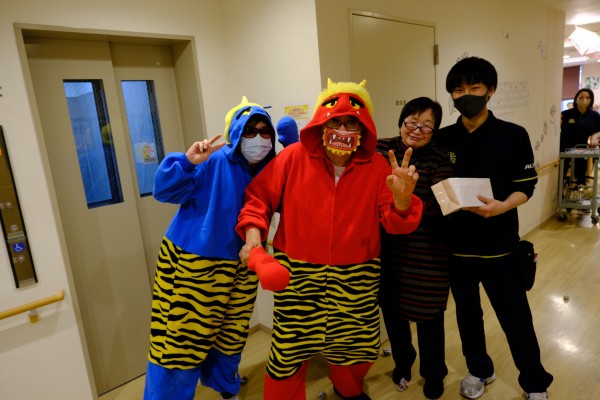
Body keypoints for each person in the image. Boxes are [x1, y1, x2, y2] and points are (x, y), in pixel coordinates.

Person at [235, 79, 423, 400]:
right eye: (336, 121)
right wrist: (253, 239)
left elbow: (395, 223)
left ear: (363, 127)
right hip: (297, 275)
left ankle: (348, 388)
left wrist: (403, 199)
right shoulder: (292, 157)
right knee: (288, 353)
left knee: (357, 348)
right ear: (322, 123)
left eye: (351, 122)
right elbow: (258, 200)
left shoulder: (377, 167)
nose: (343, 129)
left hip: (357, 277)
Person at [143, 97, 277, 400]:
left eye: (264, 131)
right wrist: (187, 162)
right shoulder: (216, 160)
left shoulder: (270, 169)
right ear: (237, 133)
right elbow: (164, 191)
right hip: (195, 263)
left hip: (244, 263)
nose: (258, 138)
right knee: (180, 342)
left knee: (231, 334)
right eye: (250, 131)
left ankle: (225, 385)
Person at [436, 57, 553, 400]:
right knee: (467, 317)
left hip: (500, 247)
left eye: (474, 88)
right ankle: (479, 369)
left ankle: (534, 382)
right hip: (457, 249)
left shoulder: (512, 135)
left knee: (516, 319)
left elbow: (525, 186)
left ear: (490, 91)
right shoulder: (443, 139)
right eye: (459, 90)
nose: (466, 95)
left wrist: (502, 206)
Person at [376, 97, 453, 399]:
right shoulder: (382, 149)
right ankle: (403, 362)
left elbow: (446, 205)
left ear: (435, 131)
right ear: (402, 121)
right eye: (412, 122)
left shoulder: (441, 158)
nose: (417, 130)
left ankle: (433, 374)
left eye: (427, 126)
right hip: (389, 253)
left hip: (428, 254)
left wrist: (406, 201)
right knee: (394, 316)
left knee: (430, 320)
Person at [559, 88, 600, 185]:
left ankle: (579, 188)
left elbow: (597, 131)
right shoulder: (566, 114)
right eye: (581, 97)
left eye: (587, 97)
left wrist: (594, 139)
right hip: (565, 147)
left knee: (580, 173)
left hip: (581, 147)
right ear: (576, 99)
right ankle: (561, 189)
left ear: (591, 100)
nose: (584, 100)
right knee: (561, 174)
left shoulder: (594, 116)